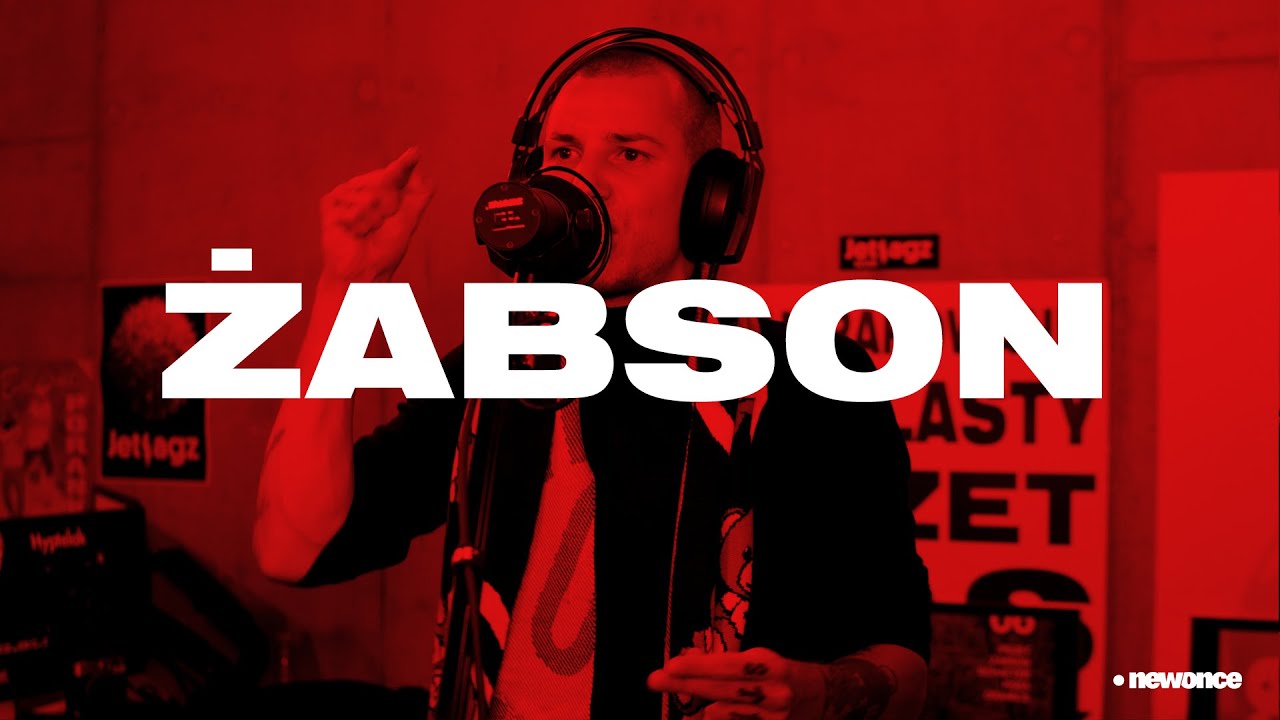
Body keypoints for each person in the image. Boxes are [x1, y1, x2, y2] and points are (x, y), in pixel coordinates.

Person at [254, 32, 932, 720]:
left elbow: (905, 671)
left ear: (711, 197)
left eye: (628, 153)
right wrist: (347, 287)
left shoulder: (810, 373)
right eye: (565, 154)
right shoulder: (499, 366)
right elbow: (293, 548)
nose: (584, 182)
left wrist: (819, 692)